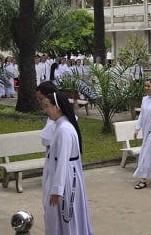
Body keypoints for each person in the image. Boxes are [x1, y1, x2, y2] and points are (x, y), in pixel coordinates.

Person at [42, 92, 93, 234]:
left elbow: (63, 161)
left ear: (57, 107)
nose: (45, 110)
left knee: (67, 216)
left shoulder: (64, 130)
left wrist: (56, 190)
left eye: (47, 106)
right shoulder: (61, 126)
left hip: (66, 180)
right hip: (65, 175)